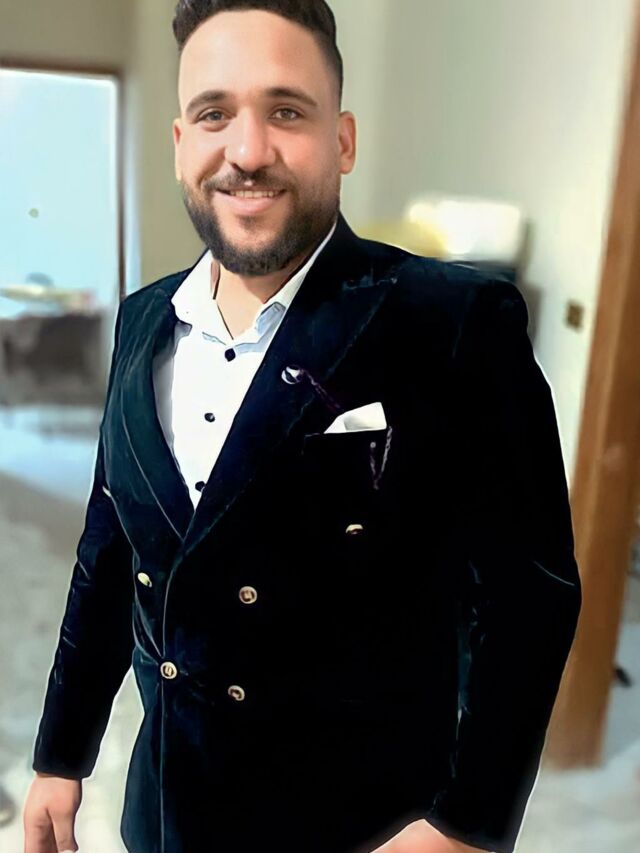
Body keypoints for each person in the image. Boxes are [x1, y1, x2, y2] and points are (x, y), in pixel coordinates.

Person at [23, 2, 582, 851]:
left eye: (286, 110)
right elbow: (109, 552)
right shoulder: (140, 321)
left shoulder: (453, 321)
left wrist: (469, 823)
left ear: (343, 140)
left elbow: (528, 593)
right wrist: (62, 754)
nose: (247, 151)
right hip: (165, 810)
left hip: (359, 822)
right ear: (179, 142)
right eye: (214, 113)